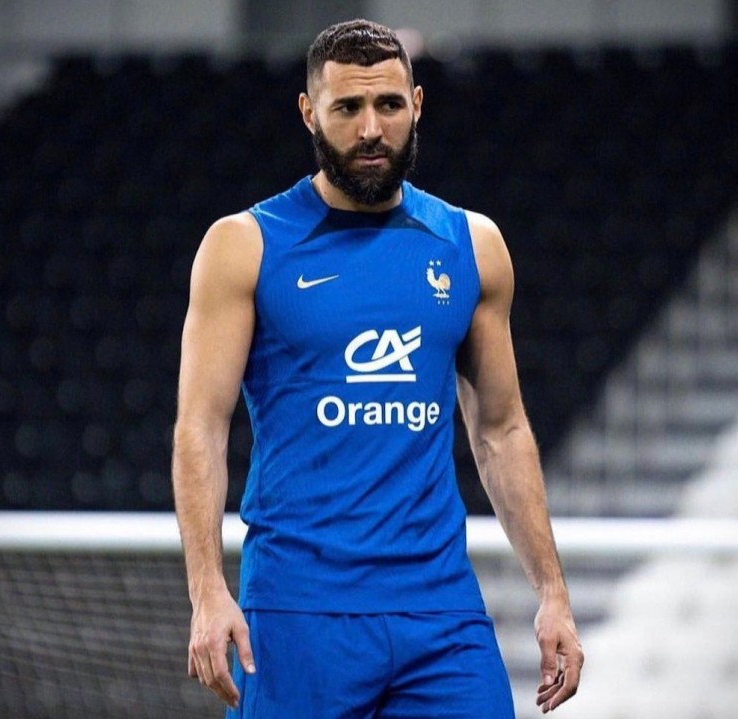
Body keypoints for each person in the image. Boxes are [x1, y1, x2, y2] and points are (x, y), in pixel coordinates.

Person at [172, 18, 583, 718]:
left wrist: (552, 592)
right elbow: (200, 428)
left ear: (416, 105)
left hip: (440, 612)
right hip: (298, 611)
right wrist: (207, 591)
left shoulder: (471, 245)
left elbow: (501, 430)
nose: (371, 129)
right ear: (310, 113)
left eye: (388, 105)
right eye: (348, 108)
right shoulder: (244, 246)